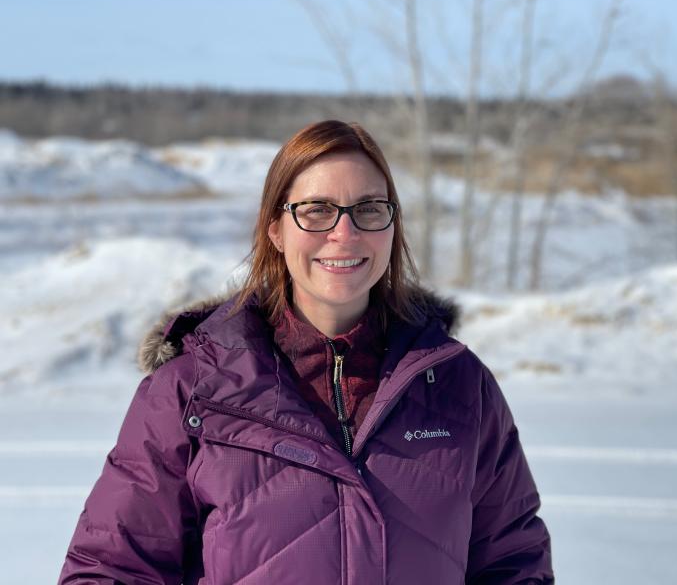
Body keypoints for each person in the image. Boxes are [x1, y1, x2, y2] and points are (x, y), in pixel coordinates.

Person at [58, 120, 553, 584]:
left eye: (369, 209)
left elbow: (513, 564)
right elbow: (111, 569)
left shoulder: (458, 384)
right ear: (275, 228)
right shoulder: (192, 389)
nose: (345, 232)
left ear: (391, 226)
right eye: (316, 210)